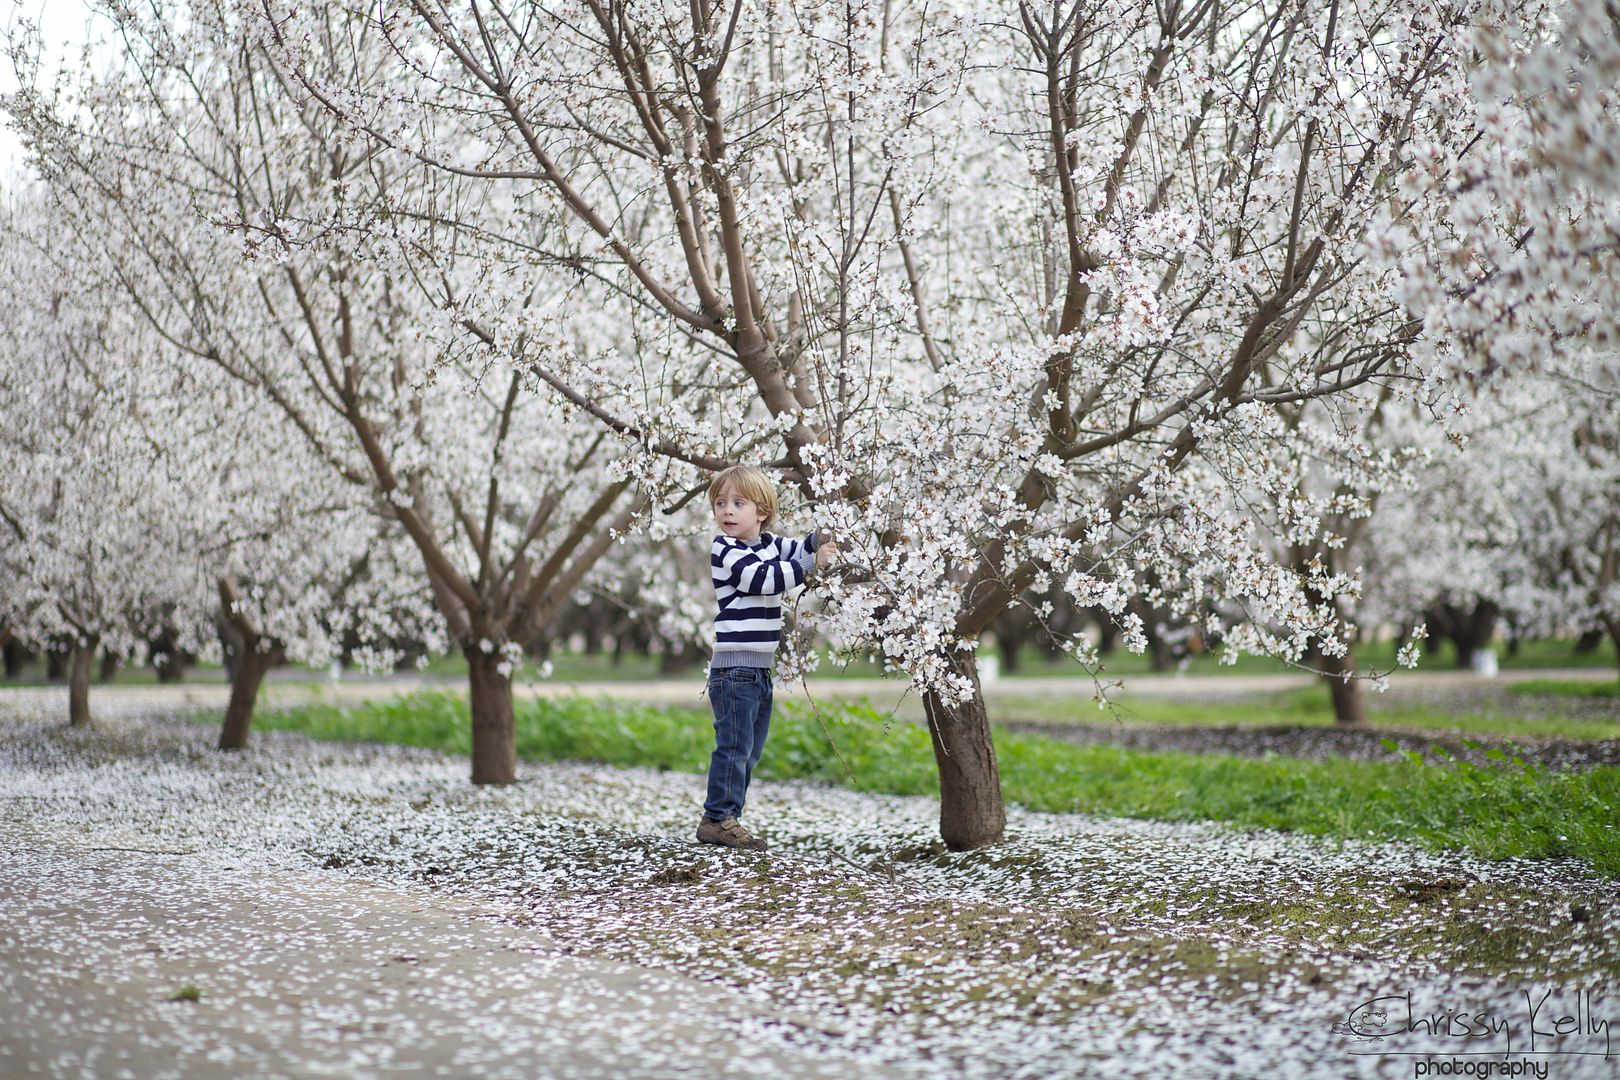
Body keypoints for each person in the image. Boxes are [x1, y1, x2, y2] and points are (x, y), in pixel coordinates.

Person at [697, 464, 837, 850]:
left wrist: (826, 532)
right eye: (720, 503)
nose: (727, 510)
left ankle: (728, 817)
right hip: (734, 668)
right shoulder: (724, 549)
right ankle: (718, 817)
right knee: (734, 746)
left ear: (761, 512)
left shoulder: (771, 544)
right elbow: (765, 580)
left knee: (750, 750)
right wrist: (813, 565)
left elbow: (803, 548)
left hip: (758, 670)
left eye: (738, 503)